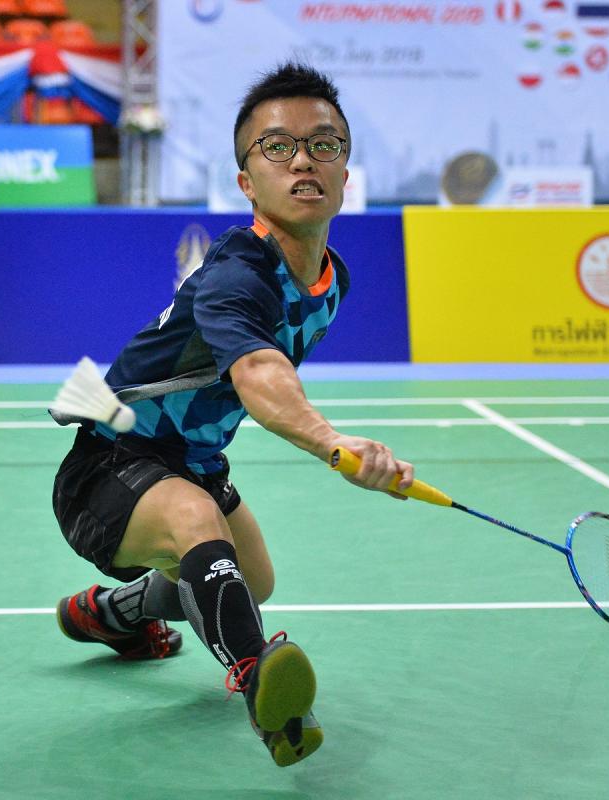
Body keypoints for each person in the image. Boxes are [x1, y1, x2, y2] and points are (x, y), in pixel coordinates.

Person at [51, 62, 414, 767]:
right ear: (247, 182)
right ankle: (264, 694)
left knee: (252, 580)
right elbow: (259, 372)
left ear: (346, 171)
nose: (304, 159)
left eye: (325, 144)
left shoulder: (331, 280)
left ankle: (111, 614)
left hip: (193, 464)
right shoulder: (234, 276)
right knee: (196, 528)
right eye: (278, 147)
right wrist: (332, 443)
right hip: (108, 468)